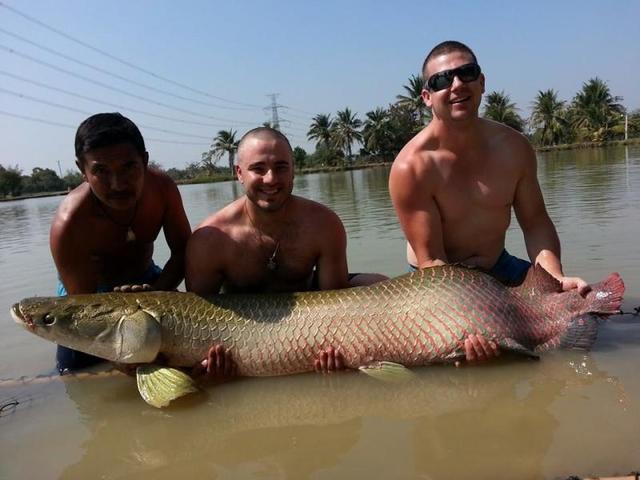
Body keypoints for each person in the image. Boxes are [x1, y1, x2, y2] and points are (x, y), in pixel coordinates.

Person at [388, 41, 589, 363]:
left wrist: (554, 281)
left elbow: (535, 222)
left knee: (579, 317)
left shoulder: (514, 147)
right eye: (442, 80)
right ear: (427, 97)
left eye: (466, 73)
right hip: (439, 279)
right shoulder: (411, 168)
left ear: (481, 82)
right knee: (463, 358)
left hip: (499, 264)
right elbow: (431, 262)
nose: (456, 85)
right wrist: (481, 314)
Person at [186, 126, 386, 374]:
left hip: (309, 314)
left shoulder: (323, 223)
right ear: (239, 173)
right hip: (242, 326)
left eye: (281, 167)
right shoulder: (210, 238)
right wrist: (208, 362)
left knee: (379, 285)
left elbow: (336, 299)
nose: (271, 179)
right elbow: (196, 318)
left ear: (294, 171)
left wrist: (339, 347)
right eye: (258, 169)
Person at [50, 112, 191, 373]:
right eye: (101, 171)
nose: (118, 184)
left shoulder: (162, 189)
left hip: (152, 283)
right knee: (75, 375)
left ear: (145, 161)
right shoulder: (69, 224)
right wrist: (119, 355)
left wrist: (156, 294)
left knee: (192, 358)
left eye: (129, 167)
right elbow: (83, 311)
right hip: (90, 297)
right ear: (83, 170)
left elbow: (184, 252)